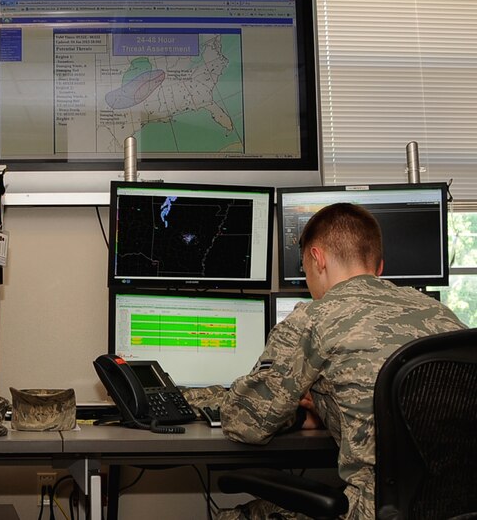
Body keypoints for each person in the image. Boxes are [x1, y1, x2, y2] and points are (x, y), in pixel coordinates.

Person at [184, 202, 466, 520]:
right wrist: (326, 404)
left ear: (317, 260)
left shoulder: (313, 318)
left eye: (304, 271)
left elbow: (246, 424)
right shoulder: (443, 316)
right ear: (380, 267)